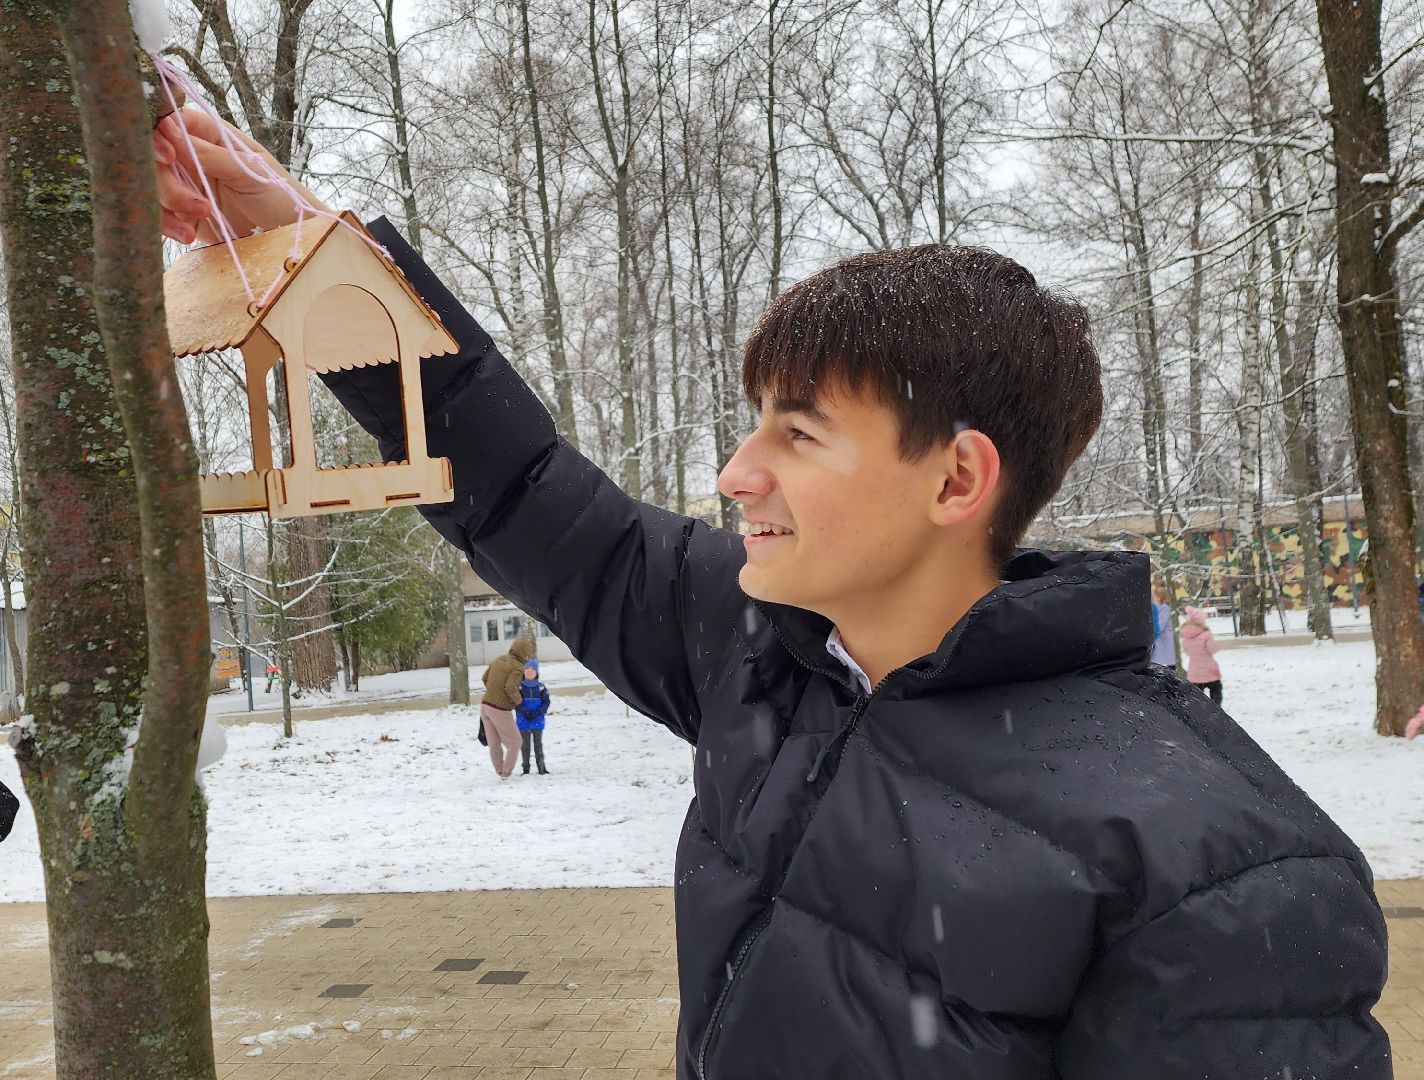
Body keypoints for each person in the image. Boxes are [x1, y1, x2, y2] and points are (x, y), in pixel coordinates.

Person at [154, 111, 1391, 1078]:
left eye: (797, 434)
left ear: (956, 477)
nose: (736, 472)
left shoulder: (1214, 865)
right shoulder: (761, 654)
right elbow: (524, 484)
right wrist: (319, 256)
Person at [480, 639, 533, 780]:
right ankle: (506, 773)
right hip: (499, 708)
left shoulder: (498, 659)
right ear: (524, 654)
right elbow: (510, 688)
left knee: (494, 743)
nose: (528, 658)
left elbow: (484, 678)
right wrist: (519, 702)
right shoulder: (518, 667)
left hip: (485, 705)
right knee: (515, 742)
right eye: (528, 654)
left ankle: (499, 771)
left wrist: (493, 693)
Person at [1180, 605, 1223, 705]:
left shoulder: (1185, 635)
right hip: (1210, 671)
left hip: (1194, 671)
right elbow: (1212, 649)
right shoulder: (1206, 634)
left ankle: (1200, 712)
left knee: (1197, 695)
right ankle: (1216, 709)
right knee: (1216, 691)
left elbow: (1186, 651)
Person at [516, 658, 551, 775]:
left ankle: (541, 768)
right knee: (525, 747)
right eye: (527, 669)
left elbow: (546, 702)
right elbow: (516, 703)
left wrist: (538, 712)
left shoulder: (541, 688)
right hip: (523, 721)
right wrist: (525, 712)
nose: (529, 671)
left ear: (537, 672)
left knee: (538, 746)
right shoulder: (519, 688)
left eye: (532, 669)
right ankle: (525, 769)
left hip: (537, 721)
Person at [1149, 580, 1175, 669]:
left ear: (1159, 597)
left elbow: (1159, 626)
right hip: (1161, 644)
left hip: (1164, 645)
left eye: (1155, 595)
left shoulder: (1165, 609)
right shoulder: (1159, 608)